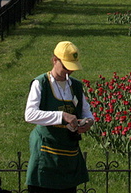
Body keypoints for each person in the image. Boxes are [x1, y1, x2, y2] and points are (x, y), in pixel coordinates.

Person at [25, 41, 94, 193]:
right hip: (46, 151)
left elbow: (87, 112)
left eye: (72, 68)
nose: (68, 72)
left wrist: (88, 121)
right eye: (65, 67)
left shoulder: (75, 86)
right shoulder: (40, 83)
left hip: (69, 153)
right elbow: (30, 114)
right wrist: (62, 116)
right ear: (55, 60)